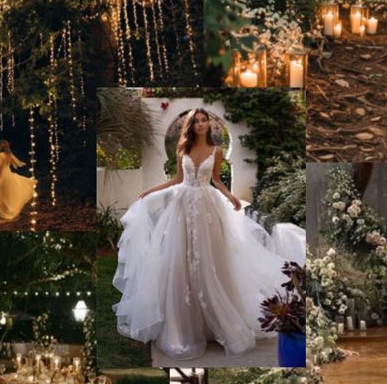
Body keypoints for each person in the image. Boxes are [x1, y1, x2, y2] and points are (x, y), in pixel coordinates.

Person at [113, 108, 290, 360]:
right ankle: (182, 327)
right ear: (190, 126)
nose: (200, 124)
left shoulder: (217, 152)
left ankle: (217, 323)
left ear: (209, 124)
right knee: (180, 261)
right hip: (182, 207)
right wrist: (151, 190)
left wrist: (230, 197)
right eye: (195, 121)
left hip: (207, 208)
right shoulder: (183, 150)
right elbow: (176, 179)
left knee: (211, 261)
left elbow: (216, 180)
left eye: (204, 120)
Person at [0, 139, 36, 222]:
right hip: (9, 174)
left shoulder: (0, 155)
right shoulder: (9, 154)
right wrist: (25, 164)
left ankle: (4, 210)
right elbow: (18, 163)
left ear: (1, 146)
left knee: (0, 192)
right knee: (8, 193)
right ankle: (9, 209)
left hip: (2, 175)